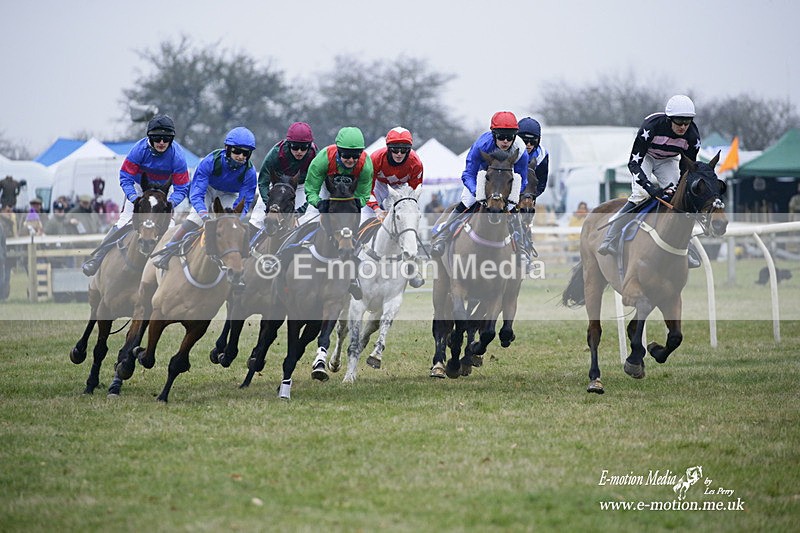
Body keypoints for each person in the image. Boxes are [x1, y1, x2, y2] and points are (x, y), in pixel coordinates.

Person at [597, 94, 702, 268]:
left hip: (668, 160)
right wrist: (649, 187)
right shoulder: (651, 126)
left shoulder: (693, 137)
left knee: (678, 197)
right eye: (679, 122)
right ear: (669, 119)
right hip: (646, 157)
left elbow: (687, 168)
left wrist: (680, 189)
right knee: (641, 194)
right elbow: (633, 163)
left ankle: (687, 246)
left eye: (687, 122)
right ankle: (611, 237)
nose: (683, 127)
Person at [81, 115, 190, 276]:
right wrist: (134, 198)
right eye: (157, 138)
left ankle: (174, 272)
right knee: (124, 221)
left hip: (164, 192)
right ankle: (97, 259)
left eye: (166, 138)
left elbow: (182, 188)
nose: (161, 142)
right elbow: (125, 177)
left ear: (171, 139)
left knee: (169, 228)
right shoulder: (139, 151)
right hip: (140, 189)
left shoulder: (178, 157)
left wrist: (170, 203)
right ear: (149, 138)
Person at [429, 111, 529, 260]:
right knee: (468, 202)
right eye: (501, 136)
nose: (506, 141)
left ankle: (521, 249)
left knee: (512, 209)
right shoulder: (481, 145)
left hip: (504, 182)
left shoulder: (521, 152)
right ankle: (443, 237)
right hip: (479, 178)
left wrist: (511, 196)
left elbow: (522, 179)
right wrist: (478, 192)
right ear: (494, 134)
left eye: (510, 137)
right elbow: (468, 174)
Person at [154, 127, 258, 269]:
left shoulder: (250, 172)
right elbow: (197, 194)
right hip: (208, 190)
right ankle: (168, 248)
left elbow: (245, 202)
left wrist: (235, 219)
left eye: (245, 153)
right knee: (196, 218)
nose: (241, 156)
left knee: (230, 225)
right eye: (237, 151)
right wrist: (204, 215)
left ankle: (239, 261)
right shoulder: (210, 161)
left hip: (229, 194)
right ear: (227, 149)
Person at [297, 126, 373, 298]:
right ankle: (288, 259)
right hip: (325, 190)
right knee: (307, 221)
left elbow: (363, 194)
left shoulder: (366, 165)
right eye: (346, 155)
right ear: (338, 151)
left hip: (349, 197)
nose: (351, 160)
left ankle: (353, 277)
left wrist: (356, 204)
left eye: (355, 156)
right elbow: (311, 188)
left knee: (359, 227)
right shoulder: (323, 159)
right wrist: (318, 203)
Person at [362, 126, 425, 287]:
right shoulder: (375, 158)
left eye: (403, 150)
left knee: (407, 224)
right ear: (388, 149)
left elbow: (413, 195)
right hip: (379, 187)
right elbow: (366, 188)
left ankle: (411, 268)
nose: (399, 153)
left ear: (409, 150)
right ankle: (353, 261)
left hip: (402, 190)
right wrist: (376, 209)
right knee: (364, 220)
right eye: (395, 149)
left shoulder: (416, 163)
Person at [249, 122, 318, 232]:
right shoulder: (275, 154)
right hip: (277, 186)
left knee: (303, 219)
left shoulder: (315, 157)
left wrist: (301, 211)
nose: (299, 151)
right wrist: (269, 204)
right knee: (257, 219)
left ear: (309, 146)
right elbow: (263, 182)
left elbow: (316, 188)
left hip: (300, 187)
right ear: (289, 144)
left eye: (304, 147)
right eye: (295, 147)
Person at [517, 117, 550, 200]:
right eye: (525, 141)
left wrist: (530, 197)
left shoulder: (541, 155)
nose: (528, 144)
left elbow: (541, 183)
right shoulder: (509, 150)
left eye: (533, 142)